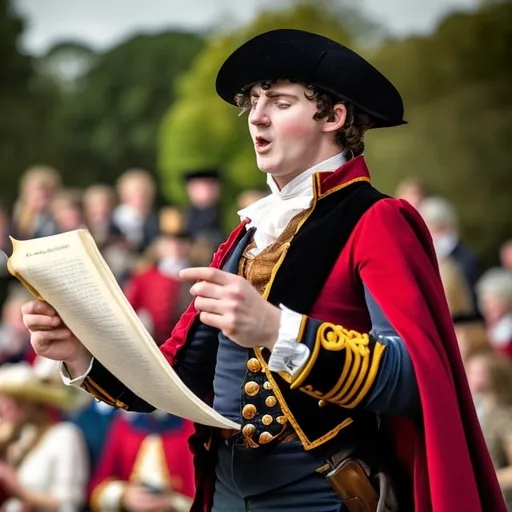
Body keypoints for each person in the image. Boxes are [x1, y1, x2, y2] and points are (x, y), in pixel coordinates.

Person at [21, 29, 505, 512]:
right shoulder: (249, 233)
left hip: (322, 498)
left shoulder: (376, 218)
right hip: (224, 493)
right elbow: (176, 378)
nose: (257, 115)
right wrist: (81, 353)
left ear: (334, 117)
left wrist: (277, 329)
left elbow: (412, 377)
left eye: (280, 101)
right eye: (252, 101)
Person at [0, 358, 89, 512]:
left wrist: (20, 491)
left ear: (32, 403)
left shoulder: (65, 435)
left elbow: (70, 504)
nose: (5, 409)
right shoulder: (17, 439)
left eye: (13, 401)